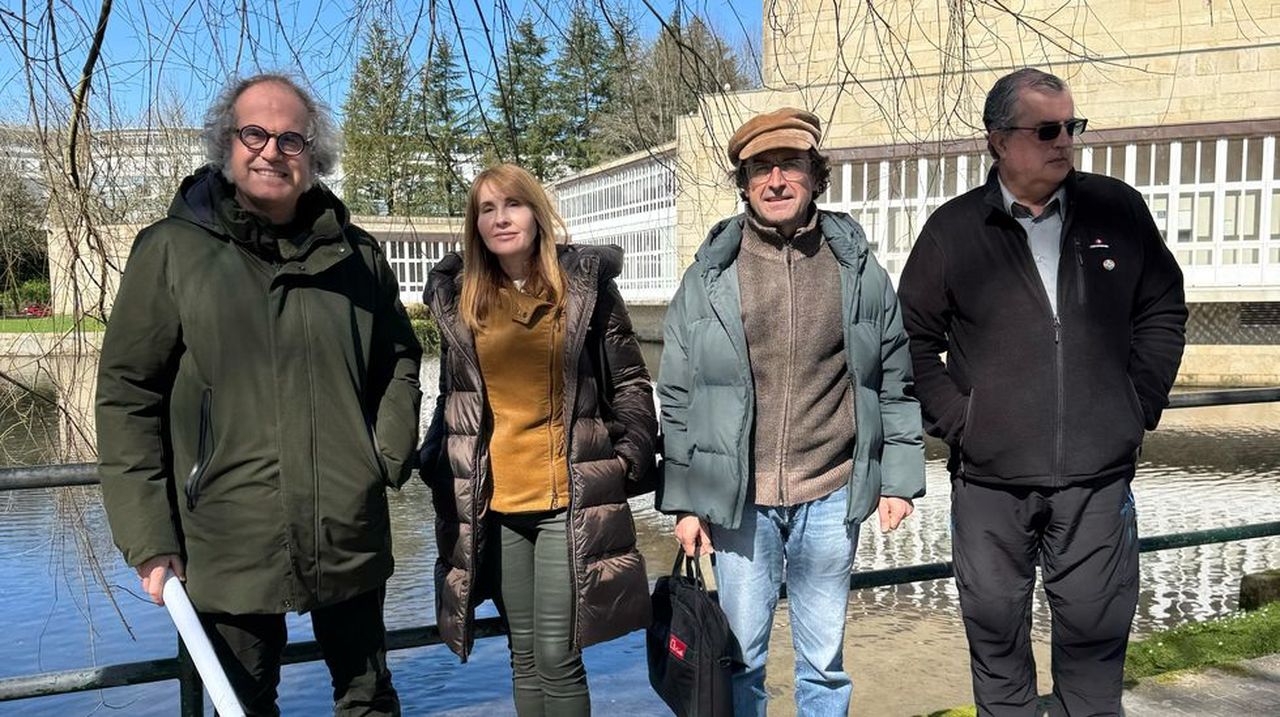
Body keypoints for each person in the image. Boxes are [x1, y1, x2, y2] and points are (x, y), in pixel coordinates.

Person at [96, 73, 422, 716]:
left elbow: (400, 359)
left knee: (369, 699)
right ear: (227, 143)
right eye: (255, 133)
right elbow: (127, 395)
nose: (272, 150)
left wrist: (383, 454)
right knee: (239, 705)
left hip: (345, 526)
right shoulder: (173, 252)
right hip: (225, 537)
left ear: (314, 154)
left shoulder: (357, 257)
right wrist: (148, 537)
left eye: (291, 137)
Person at [897, 68, 1188, 716]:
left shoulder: (1116, 210)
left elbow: (1162, 307)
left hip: (1097, 482)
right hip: (990, 488)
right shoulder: (954, 231)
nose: (1065, 142)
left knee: (1093, 666)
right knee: (999, 659)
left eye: (1072, 127)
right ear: (998, 139)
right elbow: (908, 338)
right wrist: (958, 417)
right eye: (1047, 129)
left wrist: (1135, 404)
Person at [656, 107, 926, 716]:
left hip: (830, 492)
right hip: (739, 501)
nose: (776, 180)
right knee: (741, 661)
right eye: (760, 169)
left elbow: (894, 381)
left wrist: (899, 480)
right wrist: (686, 500)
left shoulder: (858, 269)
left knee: (824, 666)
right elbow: (677, 397)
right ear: (744, 182)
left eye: (790, 165)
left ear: (815, 174)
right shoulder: (708, 277)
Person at [419, 163, 657, 716]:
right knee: (522, 656)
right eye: (486, 209)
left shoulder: (581, 289)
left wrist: (627, 459)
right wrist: (436, 461)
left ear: (537, 213)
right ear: (474, 224)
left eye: (513, 205)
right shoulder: (461, 299)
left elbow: (629, 380)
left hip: (565, 501)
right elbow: (455, 398)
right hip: (493, 504)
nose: (501, 219)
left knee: (558, 657)